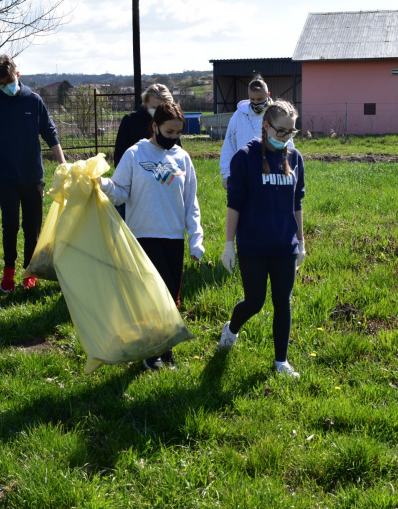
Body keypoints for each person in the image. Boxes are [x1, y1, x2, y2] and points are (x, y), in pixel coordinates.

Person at [99, 102, 205, 371]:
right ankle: (152, 353)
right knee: (154, 294)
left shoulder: (183, 158)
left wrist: (196, 237)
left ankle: (164, 350)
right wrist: (101, 184)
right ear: (155, 126)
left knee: (171, 296)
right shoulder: (135, 154)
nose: (173, 138)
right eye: (168, 132)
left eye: (178, 133)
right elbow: (121, 192)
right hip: (143, 235)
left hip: (173, 237)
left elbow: (191, 202)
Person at [218, 99, 306, 378]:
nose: (286, 138)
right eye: (281, 131)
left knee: (284, 301)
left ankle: (281, 362)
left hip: (284, 245)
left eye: (291, 132)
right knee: (254, 302)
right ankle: (231, 328)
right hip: (253, 246)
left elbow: (297, 203)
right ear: (266, 126)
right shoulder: (244, 157)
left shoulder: (294, 158)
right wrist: (229, 244)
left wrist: (301, 242)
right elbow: (235, 203)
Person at [0, 54, 66, 293]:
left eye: (9, 81)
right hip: (5, 177)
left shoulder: (33, 101)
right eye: (0, 85)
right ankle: (8, 272)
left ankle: (29, 271)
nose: (6, 87)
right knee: (10, 225)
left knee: (32, 226)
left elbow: (50, 133)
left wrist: (63, 164)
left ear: (18, 74)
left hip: (33, 176)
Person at [112, 84, 178, 220]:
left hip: (163, 186)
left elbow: (176, 154)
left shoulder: (171, 123)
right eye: (155, 107)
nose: (159, 112)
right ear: (146, 102)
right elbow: (119, 158)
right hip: (133, 188)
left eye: (163, 107)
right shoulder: (130, 121)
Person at [219, 75, 274, 190]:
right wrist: (226, 173)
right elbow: (229, 144)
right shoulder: (239, 115)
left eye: (259, 99)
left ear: (268, 95)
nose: (256, 102)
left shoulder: (276, 115)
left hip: (271, 174)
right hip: (244, 173)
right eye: (252, 99)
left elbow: (287, 144)